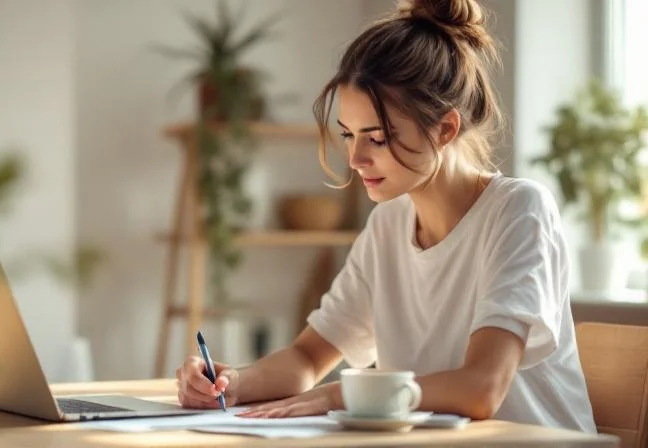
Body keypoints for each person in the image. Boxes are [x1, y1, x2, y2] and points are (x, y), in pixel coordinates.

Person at [175, 0, 596, 432]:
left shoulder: (518, 211)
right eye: (348, 134)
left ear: (445, 129)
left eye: (376, 138)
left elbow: (481, 389)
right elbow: (307, 357)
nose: (355, 158)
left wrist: (340, 396)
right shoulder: (388, 225)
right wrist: (231, 383)